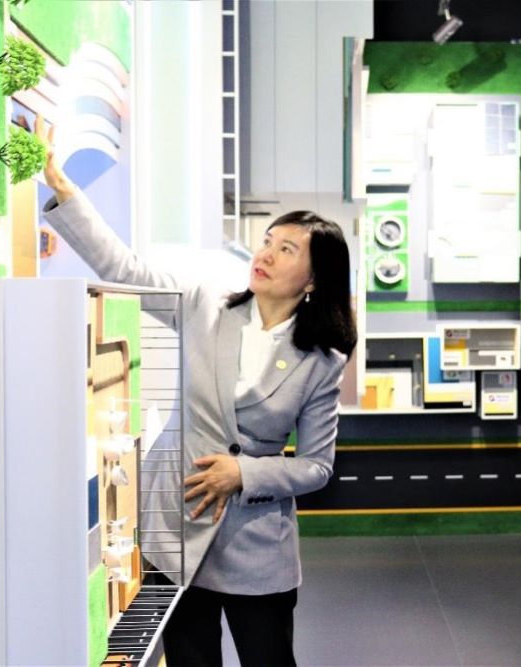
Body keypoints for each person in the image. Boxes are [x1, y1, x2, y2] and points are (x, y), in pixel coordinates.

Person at [34, 116, 357, 665]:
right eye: (267, 242)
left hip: (257, 546)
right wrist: (63, 187)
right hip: (175, 532)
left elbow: (317, 466)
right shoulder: (207, 304)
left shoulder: (321, 360)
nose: (266, 254)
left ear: (314, 279)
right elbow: (123, 268)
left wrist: (245, 473)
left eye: (286, 249)